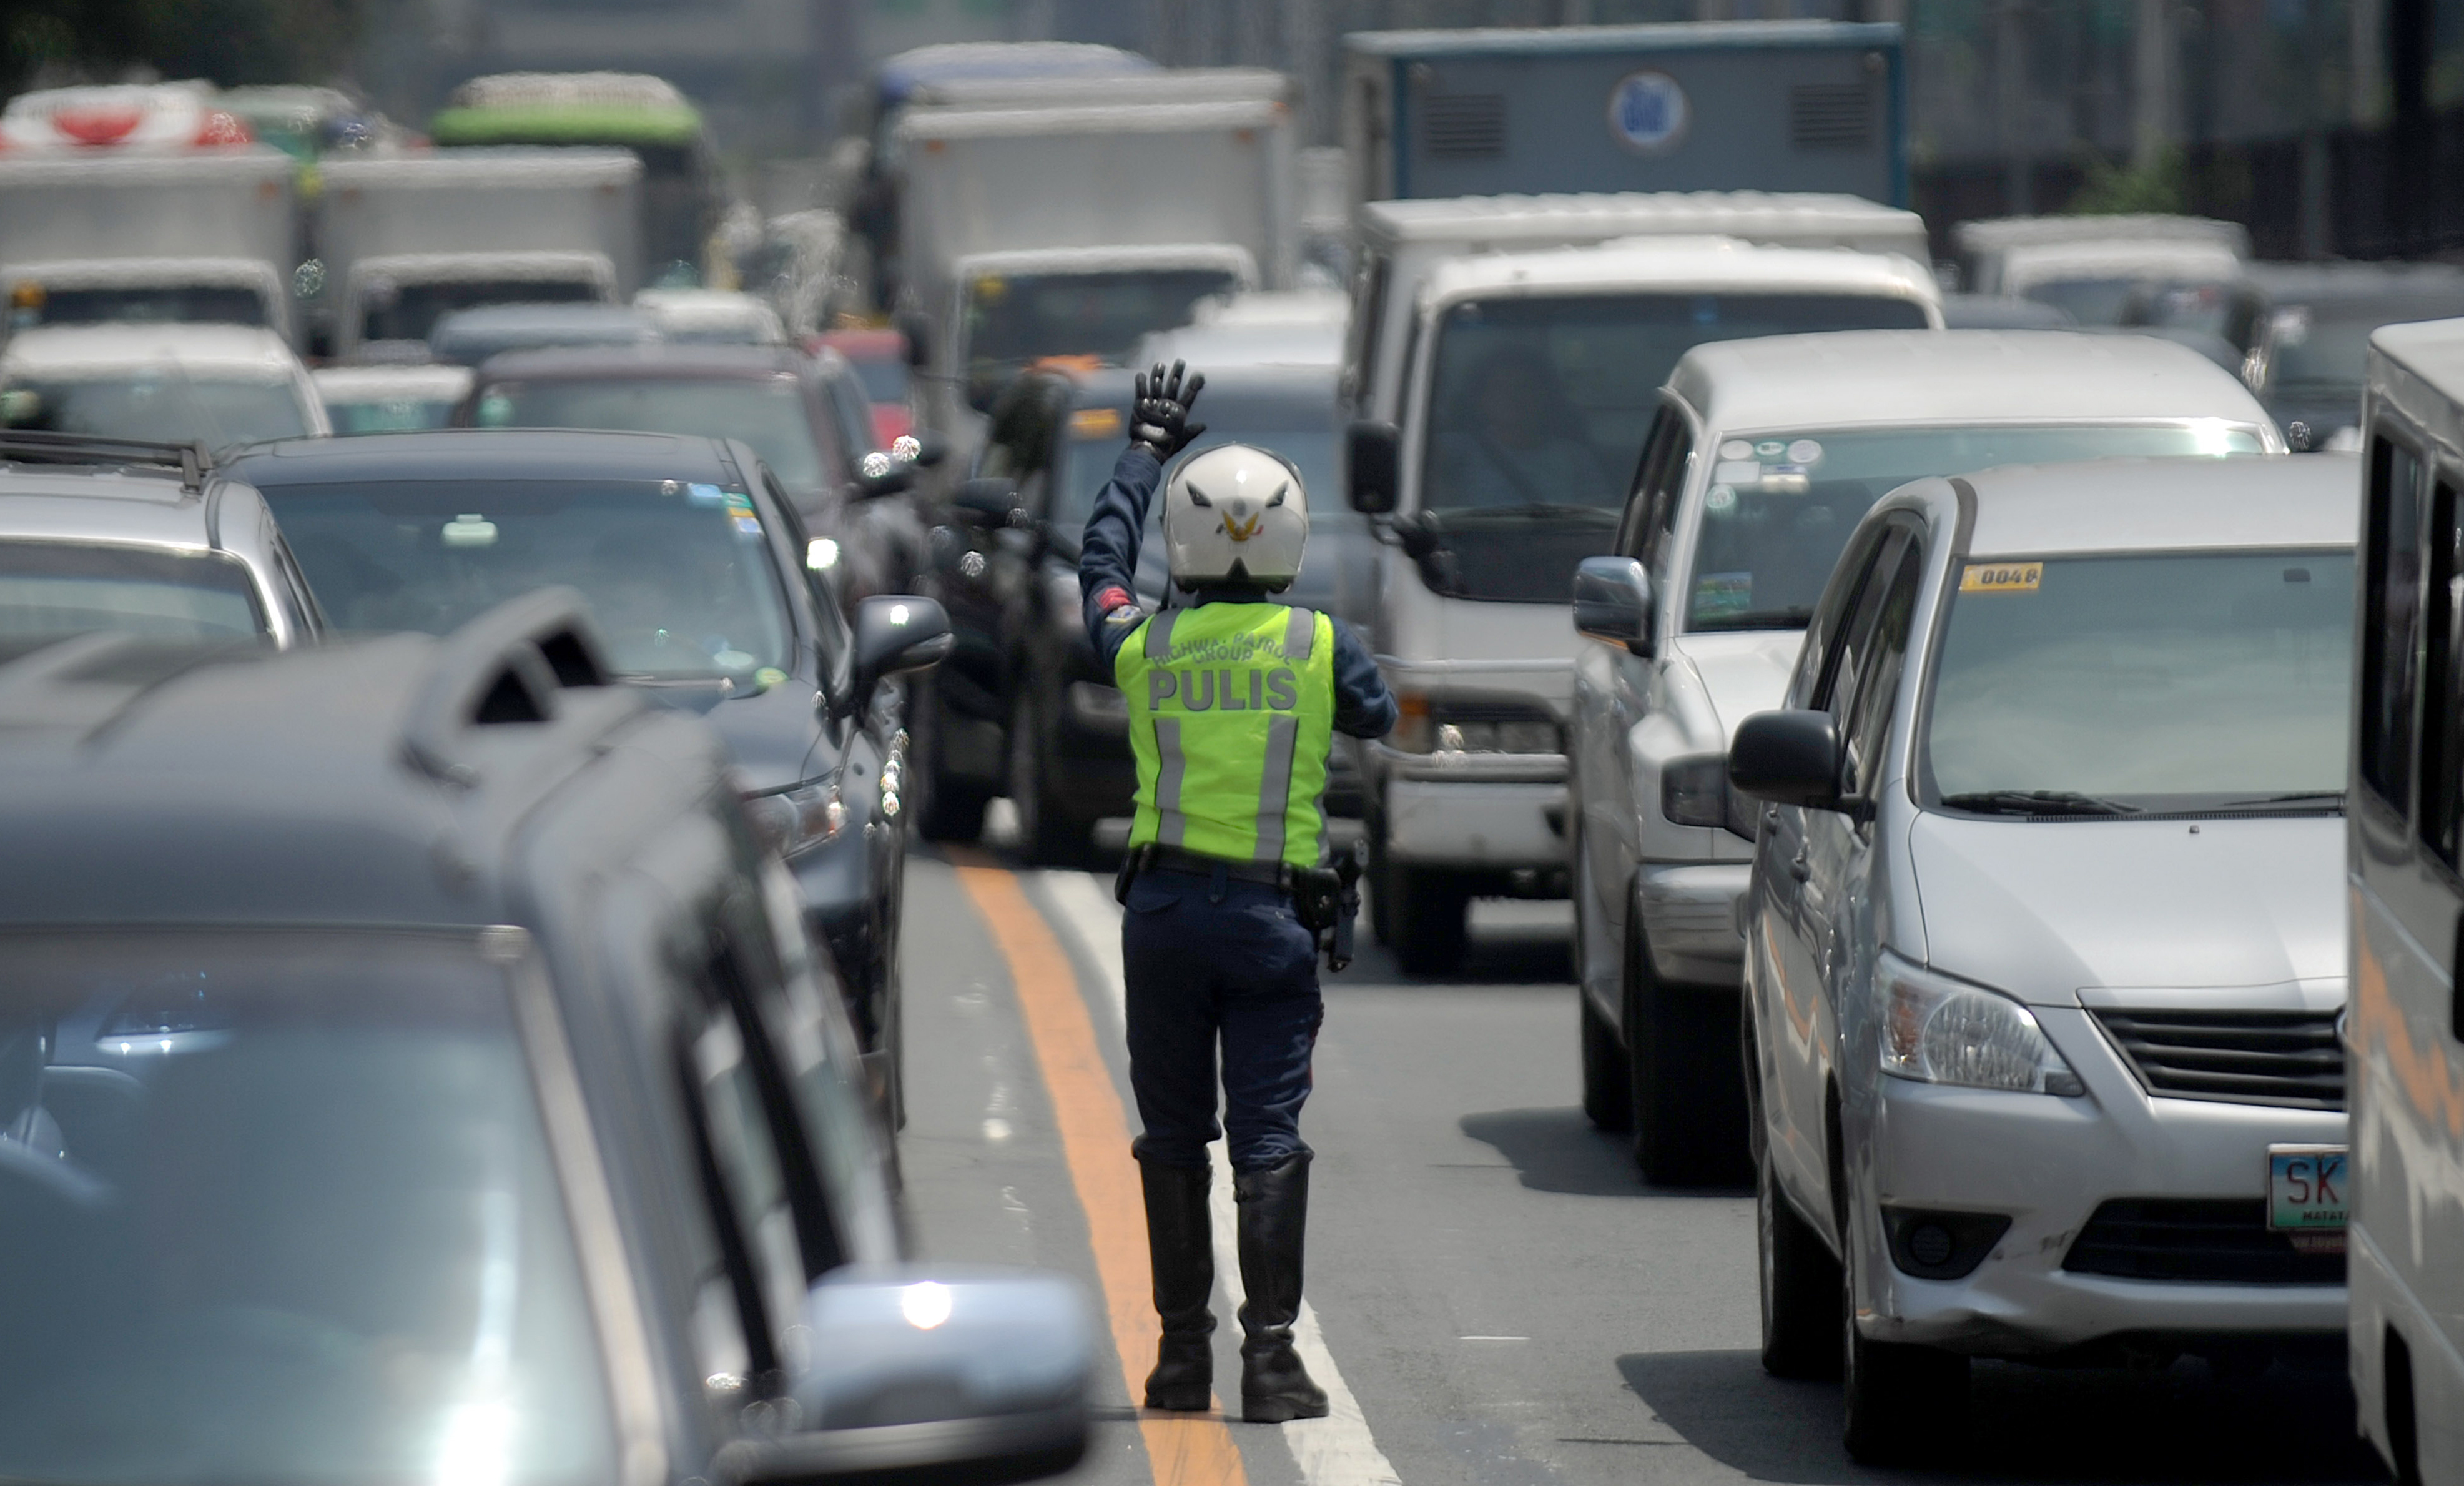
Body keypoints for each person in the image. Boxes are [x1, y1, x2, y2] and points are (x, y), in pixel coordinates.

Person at [1080, 361, 1396, 1424]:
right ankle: (1270, 1364)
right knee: (1266, 1137)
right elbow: (1378, 709)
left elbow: (1098, 564)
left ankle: (1178, 1363)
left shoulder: (1140, 643)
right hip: (1271, 926)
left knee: (1172, 1135)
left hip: (1164, 920)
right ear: (1293, 535)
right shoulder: (1315, 644)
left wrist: (1142, 452)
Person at [1429, 344, 1617, 508]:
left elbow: (1598, 517)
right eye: (1499, 387)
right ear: (1479, 398)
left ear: (1547, 396)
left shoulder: (1575, 457)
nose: (1513, 397)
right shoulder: (1454, 451)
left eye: (1525, 387)